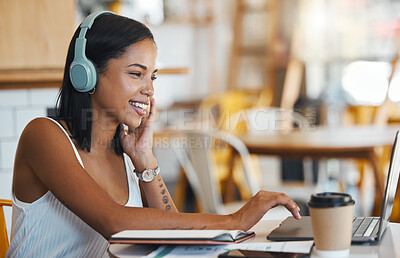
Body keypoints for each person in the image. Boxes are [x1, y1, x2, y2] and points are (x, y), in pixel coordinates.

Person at [6, 12, 301, 257]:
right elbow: (114, 221)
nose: (149, 89)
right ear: (86, 75)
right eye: (136, 74)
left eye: (153, 76)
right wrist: (234, 220)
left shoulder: (125, 150)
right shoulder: (43, 135)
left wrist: (145, 160)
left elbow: (173, 237)